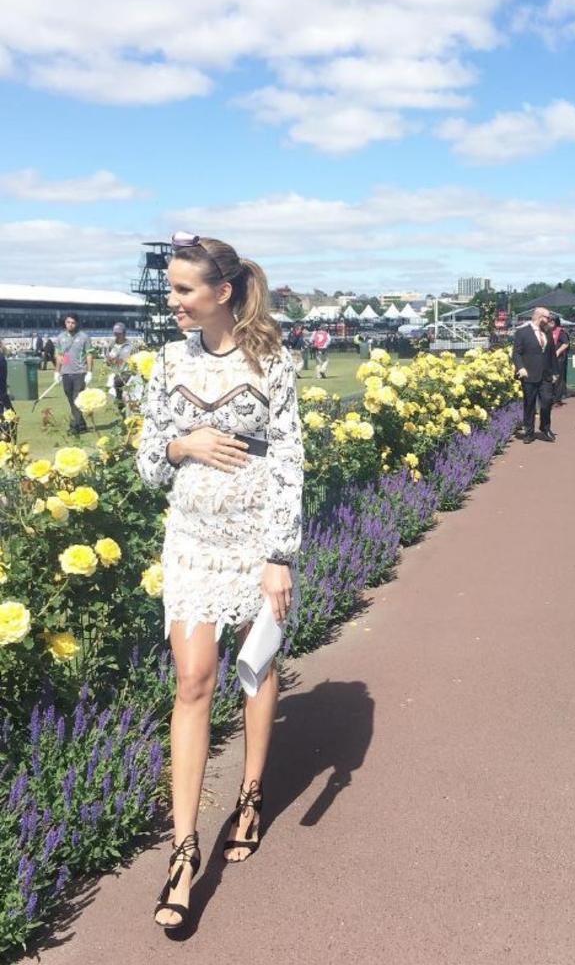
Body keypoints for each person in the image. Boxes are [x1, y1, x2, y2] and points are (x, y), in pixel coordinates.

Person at [136, 232, 303, 930]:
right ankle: (182, 851)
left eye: (182, 291)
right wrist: (183, 444)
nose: (172, 302)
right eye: (171, 289)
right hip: (191, 540)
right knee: (193, 680)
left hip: (255, 537)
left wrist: (280, 554)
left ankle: (253, 795)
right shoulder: (168, 360)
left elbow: (290, 460)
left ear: (222, 293)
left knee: (253, 668)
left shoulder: (276, 361)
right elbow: (148, 464)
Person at [512, 306, 558, 443]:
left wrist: (555, 372)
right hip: (529, 374)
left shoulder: (548, 333)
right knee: (530, 404)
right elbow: (516, 353)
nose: (549, 320)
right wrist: (520, 368)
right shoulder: (522, 333)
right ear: (539, 317)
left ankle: (545, 427)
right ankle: (529, 432)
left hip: (546, 375)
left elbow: (552, 354)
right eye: (547, 317)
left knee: (547, 401)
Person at [54, 314, 93, 435]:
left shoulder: (84, 337)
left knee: (76, 399)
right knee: (71, 400)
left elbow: (89, 355)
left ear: (77, 323)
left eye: (72, 322)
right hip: (66, 373)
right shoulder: (61, 337)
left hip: (80, 373)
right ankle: (82, 424)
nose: (70, 324)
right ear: (65, 323)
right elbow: (60, 355)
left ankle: (74, 426)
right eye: (68, 322)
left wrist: (89, 371)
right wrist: (57, 371)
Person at [105, 322, 134, 409]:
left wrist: (118, 360)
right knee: (118, 400)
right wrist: (109, 361)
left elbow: (134, 361)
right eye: (115, 333)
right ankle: (123, 415)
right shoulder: (111, 345)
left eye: (119, 333)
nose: (117, 335)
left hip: (127, 374)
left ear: (124, 333)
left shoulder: (130, 346)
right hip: (115, 374)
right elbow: (107, 362)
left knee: (128, 397)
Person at [551, 314, 570, 405]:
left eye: (552, 321)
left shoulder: (560, 332)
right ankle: (551, 396)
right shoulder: (547, 331)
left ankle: (557, 398)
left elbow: (566, 343)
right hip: (549, 358)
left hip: (559, 359)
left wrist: (558, 351)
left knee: (558, 378)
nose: (550, 323)